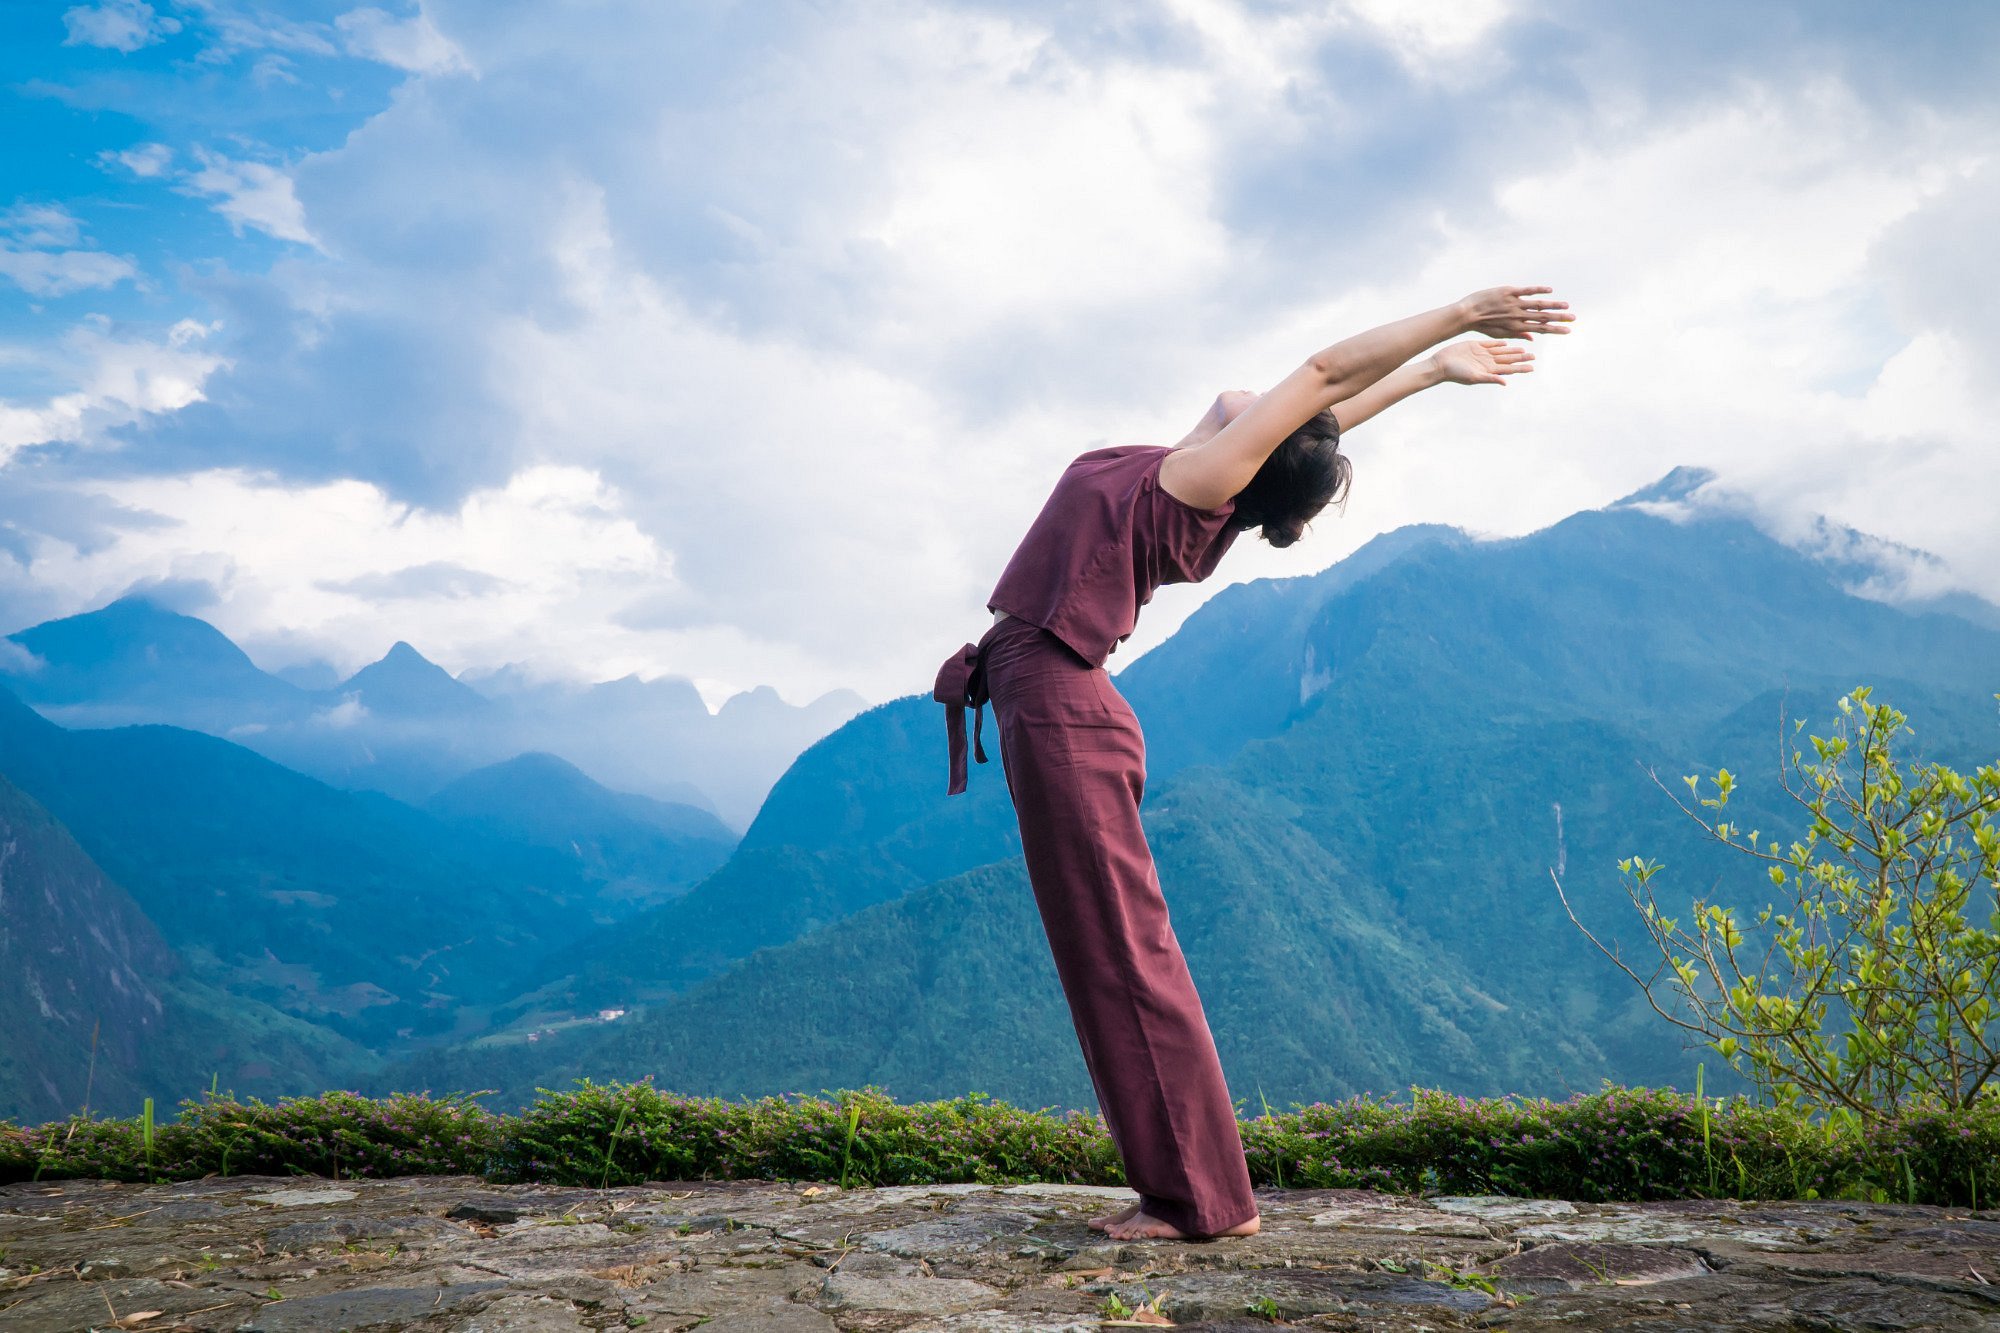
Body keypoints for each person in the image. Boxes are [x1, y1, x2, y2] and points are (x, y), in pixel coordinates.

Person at [932, 285, 1573, 1241]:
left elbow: (1320, 377)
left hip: (1061, 705)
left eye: (1273, 416)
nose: (1263, 396)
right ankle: (1193, 1190)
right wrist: (1435, 374)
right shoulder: (1211, 474)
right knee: (1110, 952)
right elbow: (1323, 411)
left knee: (1122, 954)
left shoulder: (1204, 483)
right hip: (1052, 701)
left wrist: (1458, 315)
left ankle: (1201, 1201)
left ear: (1260, 452)